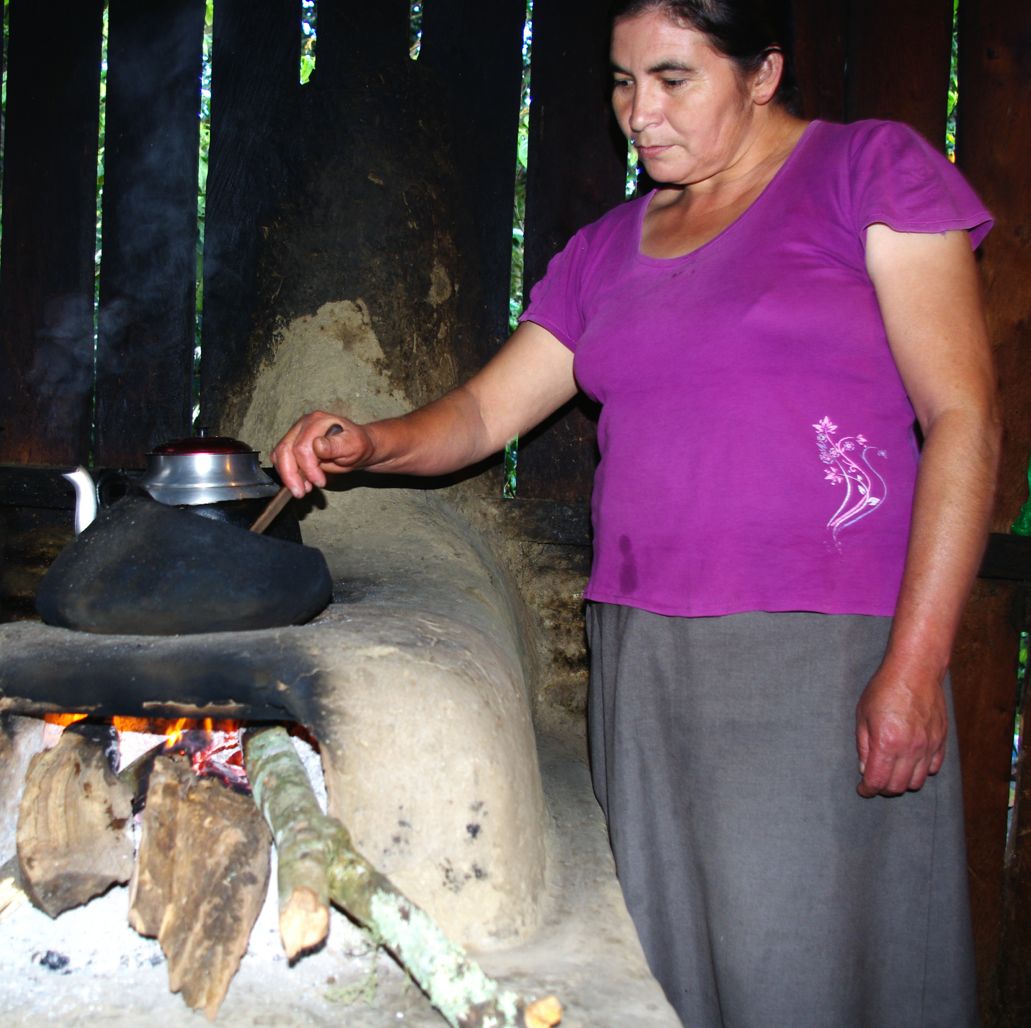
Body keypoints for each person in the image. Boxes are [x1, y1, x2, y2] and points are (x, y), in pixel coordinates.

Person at [271, 1, 999, 1024]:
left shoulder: (867, 172)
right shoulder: (607, 248)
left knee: (806, 963)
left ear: (762, 72)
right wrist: (371, 440)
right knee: (668, 958)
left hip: (817, 646)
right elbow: (483, 413)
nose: (639, 113)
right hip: (642, 647)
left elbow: (964, 417)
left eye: (672, 79)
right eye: (622, 82)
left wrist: (915, 665)